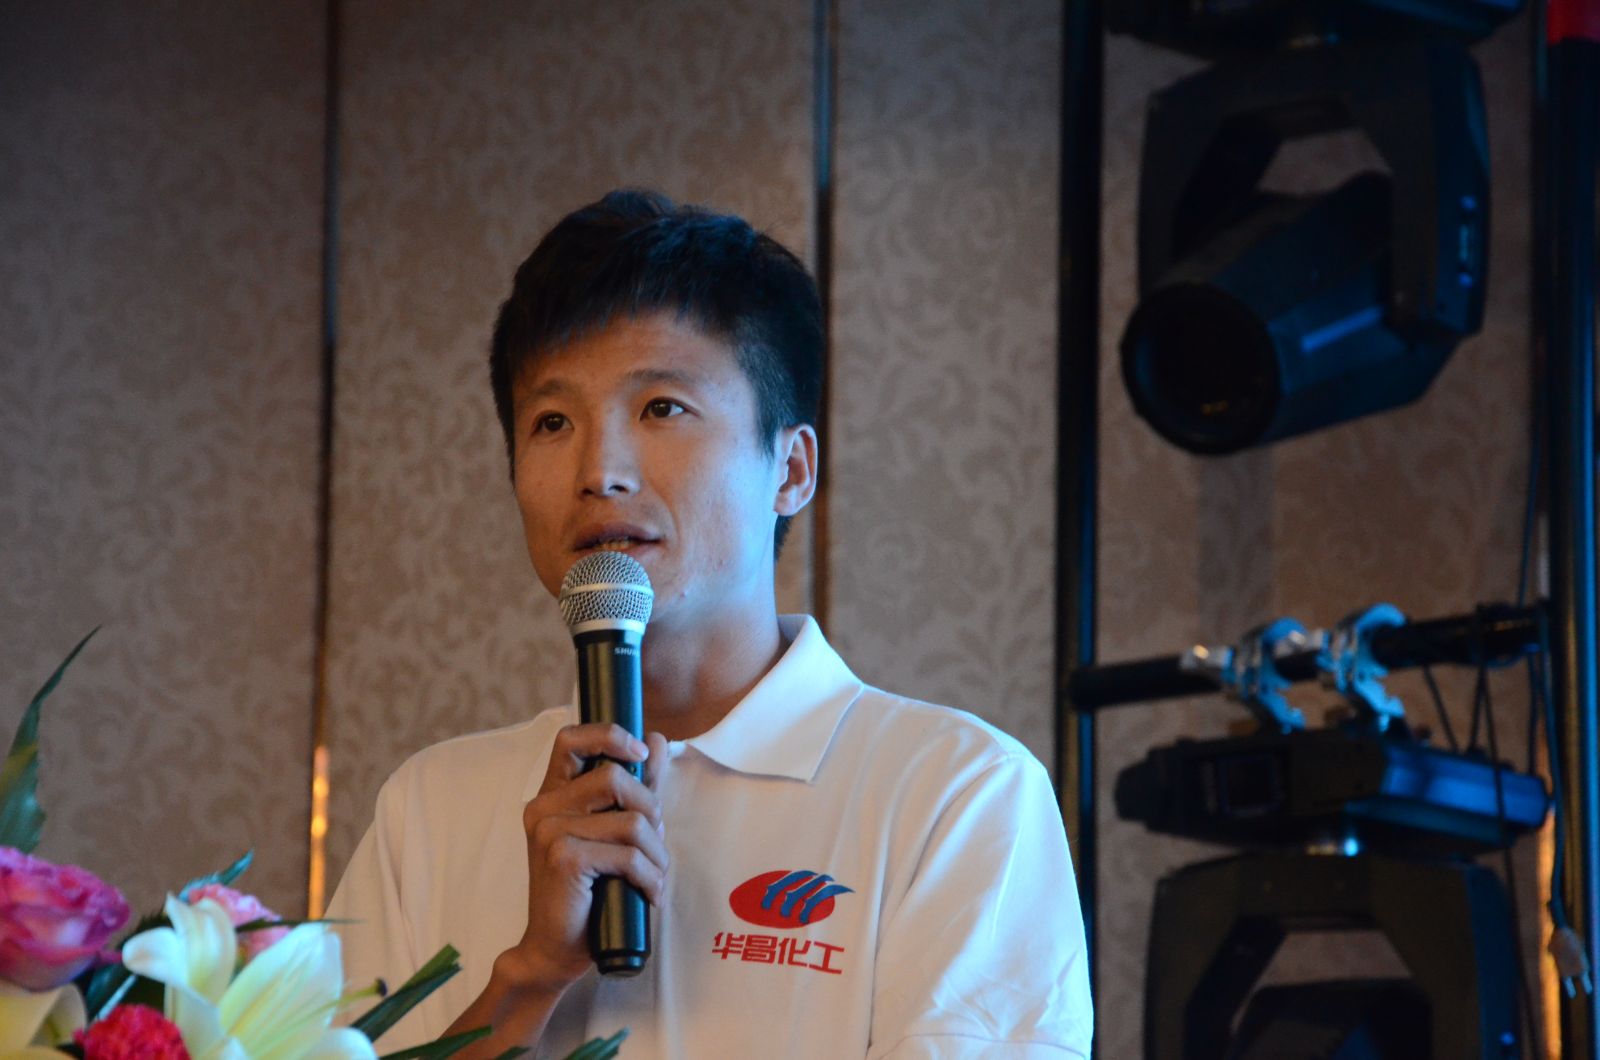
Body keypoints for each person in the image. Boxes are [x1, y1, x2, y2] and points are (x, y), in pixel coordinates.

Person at [327, 190, 1093, 1058]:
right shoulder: (429, 807)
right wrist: (529, 976)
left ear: (791, 470)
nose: (599, 471)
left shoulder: (956, 795)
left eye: (661, 408)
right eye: (552, 421)